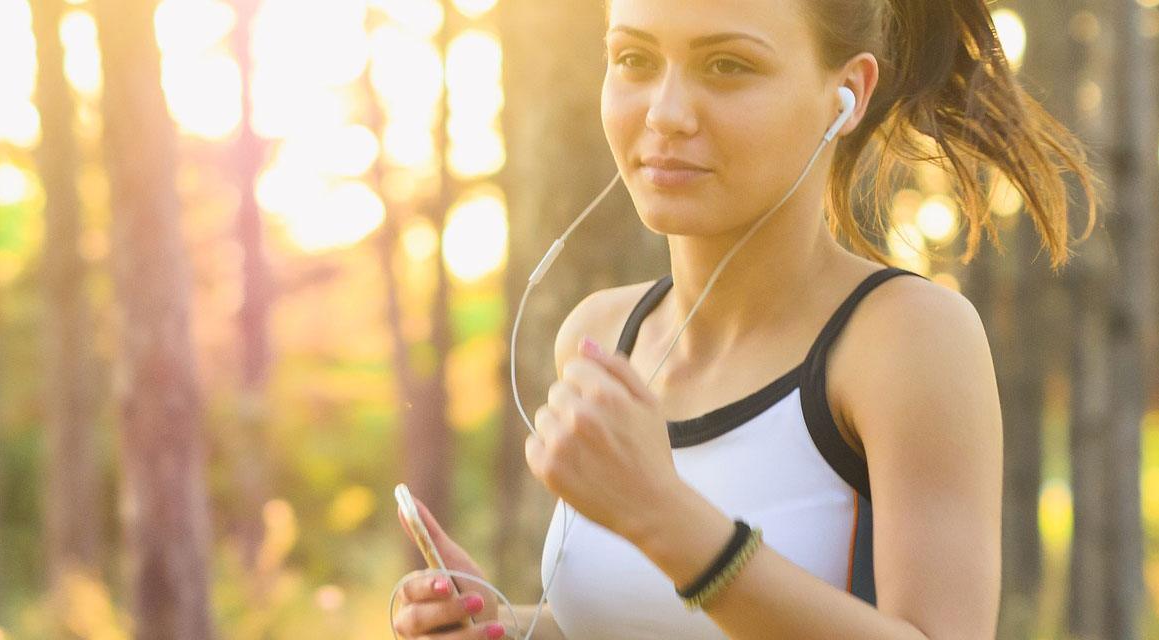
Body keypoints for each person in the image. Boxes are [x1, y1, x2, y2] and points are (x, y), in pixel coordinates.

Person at [391, 0, 1098, 637]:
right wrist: (496, 624)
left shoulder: (904, 336)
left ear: (847, 95)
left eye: (727, 65)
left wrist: (666, 519)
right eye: (634, 59)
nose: (665, 113)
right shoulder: (602, 334)